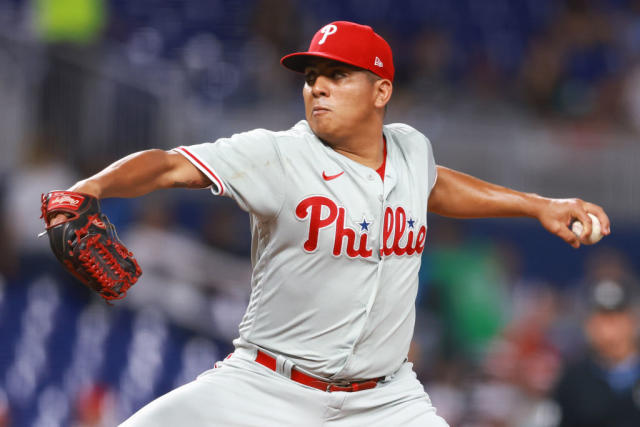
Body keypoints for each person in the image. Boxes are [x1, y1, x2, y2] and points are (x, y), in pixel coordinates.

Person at [48, 21, 610, 426]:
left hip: (385, 402)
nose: (316, 86)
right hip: (266, 387)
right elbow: (170, 165)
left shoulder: (410, 149)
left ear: (381, 91)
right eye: (312, 75)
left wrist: (538, 205)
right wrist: (89, 189)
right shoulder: (276, 154)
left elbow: (434, 183)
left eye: (337, 75)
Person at [553, 280, 640, 427]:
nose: (608, 329)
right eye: (600, 319)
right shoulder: (573, 379)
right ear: (588, 325)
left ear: (634, 321)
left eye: (615, 318)